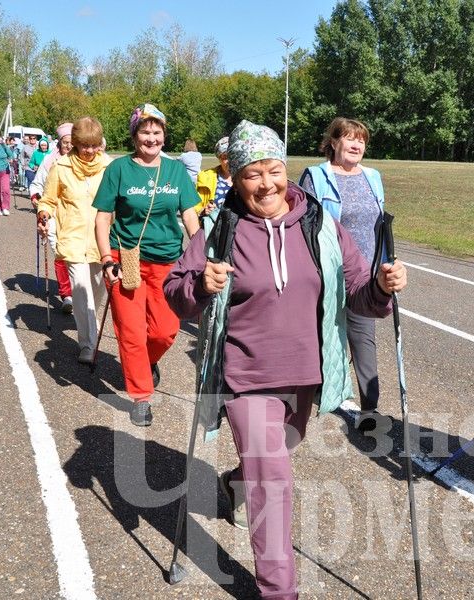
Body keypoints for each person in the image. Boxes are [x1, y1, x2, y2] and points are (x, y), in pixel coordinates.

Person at [164, 120, 407, 599]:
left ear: (287, 170)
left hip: (304, 377)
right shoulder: (219, 228)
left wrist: (380, 287)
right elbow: (176, 289)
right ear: (234, 176)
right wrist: (199, 286)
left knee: (270, 460)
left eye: (274, 171)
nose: (266, 184)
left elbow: (356, 291)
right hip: (244, 375)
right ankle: (279, 590)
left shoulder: (319, 224)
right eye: (253, 174)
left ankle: (235, 482)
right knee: (273, 481)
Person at [92, 103, 201, 427]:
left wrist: (200, 250)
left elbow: (190, 215)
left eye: (157, 132)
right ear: (134, 135)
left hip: (168, 263)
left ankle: (145, 362)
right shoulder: (119, 170)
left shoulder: (176, 171)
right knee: (131, 331)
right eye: (144, 131)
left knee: (166, 332)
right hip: (127, 260)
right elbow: (102, 218)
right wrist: (106, 258)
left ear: (164, 136)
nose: (151, 138)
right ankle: (141, 395)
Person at [299, 117, 387, 434]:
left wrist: (385, 266)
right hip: (325, 271)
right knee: (321, 335)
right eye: (349, 138)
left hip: (364, 274)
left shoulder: (374, 178)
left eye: (361, 140)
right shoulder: (316, 177)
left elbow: (381, 225)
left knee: (364, 339)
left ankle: (370, 409)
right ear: (333, 142)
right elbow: (304, 222)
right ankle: (309, 393)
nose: (356, 144)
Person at [37, 117, 112, 360]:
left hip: (102, 241)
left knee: (99, 289)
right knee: (81, 291)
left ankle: (90, 324)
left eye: (94, 145)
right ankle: (88, 344)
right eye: (84, 146)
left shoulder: (109, 167)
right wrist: (44, 212)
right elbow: (48, 199)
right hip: (72, 238)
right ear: (76, 143)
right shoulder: (61, 167)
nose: (90, 151)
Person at [31, 122, 75, 314]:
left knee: (74, 254)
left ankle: (78, 290)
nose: (69, 146)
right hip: (53, 214)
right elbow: (36, 184)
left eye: (72, 142)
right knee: (60, 252)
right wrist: (37, 199)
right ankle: (67, 295)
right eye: (65, 142)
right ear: (59, 143)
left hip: (75, 215)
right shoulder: (50, 161)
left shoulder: (83, 159)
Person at [193, 136, 232, 218]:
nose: (229, 161)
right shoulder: (205, 177)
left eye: (232, 156)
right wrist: (204, 210)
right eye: (225, 157)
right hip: (214, 227)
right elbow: (195, 207)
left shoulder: (247, 176)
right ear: (219, 158)